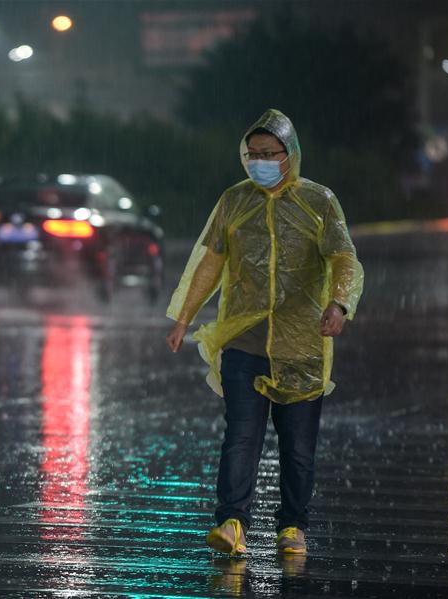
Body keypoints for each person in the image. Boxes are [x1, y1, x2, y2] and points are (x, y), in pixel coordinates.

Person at [165, 109, 364, 556]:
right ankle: (232, 522)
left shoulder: (319, 202)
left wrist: (340, 302)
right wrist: (184, 317)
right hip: (245, 337)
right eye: (252, 154)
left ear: (289, 154)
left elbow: (344, 258)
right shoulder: (234, 201)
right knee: (240, 435)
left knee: (297, 446)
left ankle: (293, 527)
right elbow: (210, 263)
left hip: (301, 342)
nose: (260, 161)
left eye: (269, 153)